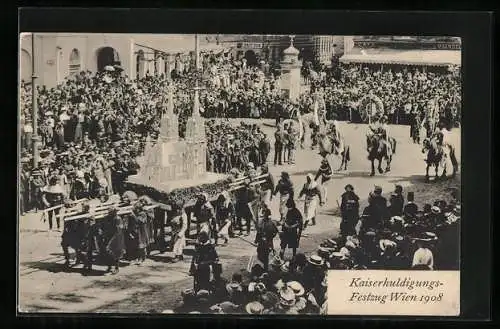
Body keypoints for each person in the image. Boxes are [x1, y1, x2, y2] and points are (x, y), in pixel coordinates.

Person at [254, 205, 279, 271]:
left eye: (265, 214)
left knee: (265, 256)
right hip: (262, 242)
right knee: (260, 254)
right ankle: (264, 267)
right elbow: (259, 232)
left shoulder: (271, 223)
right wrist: (256, 240)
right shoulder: (261, 222)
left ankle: (265, 269)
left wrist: (270, 238)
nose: (264, 215)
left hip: (268, 242)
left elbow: (275, 232)